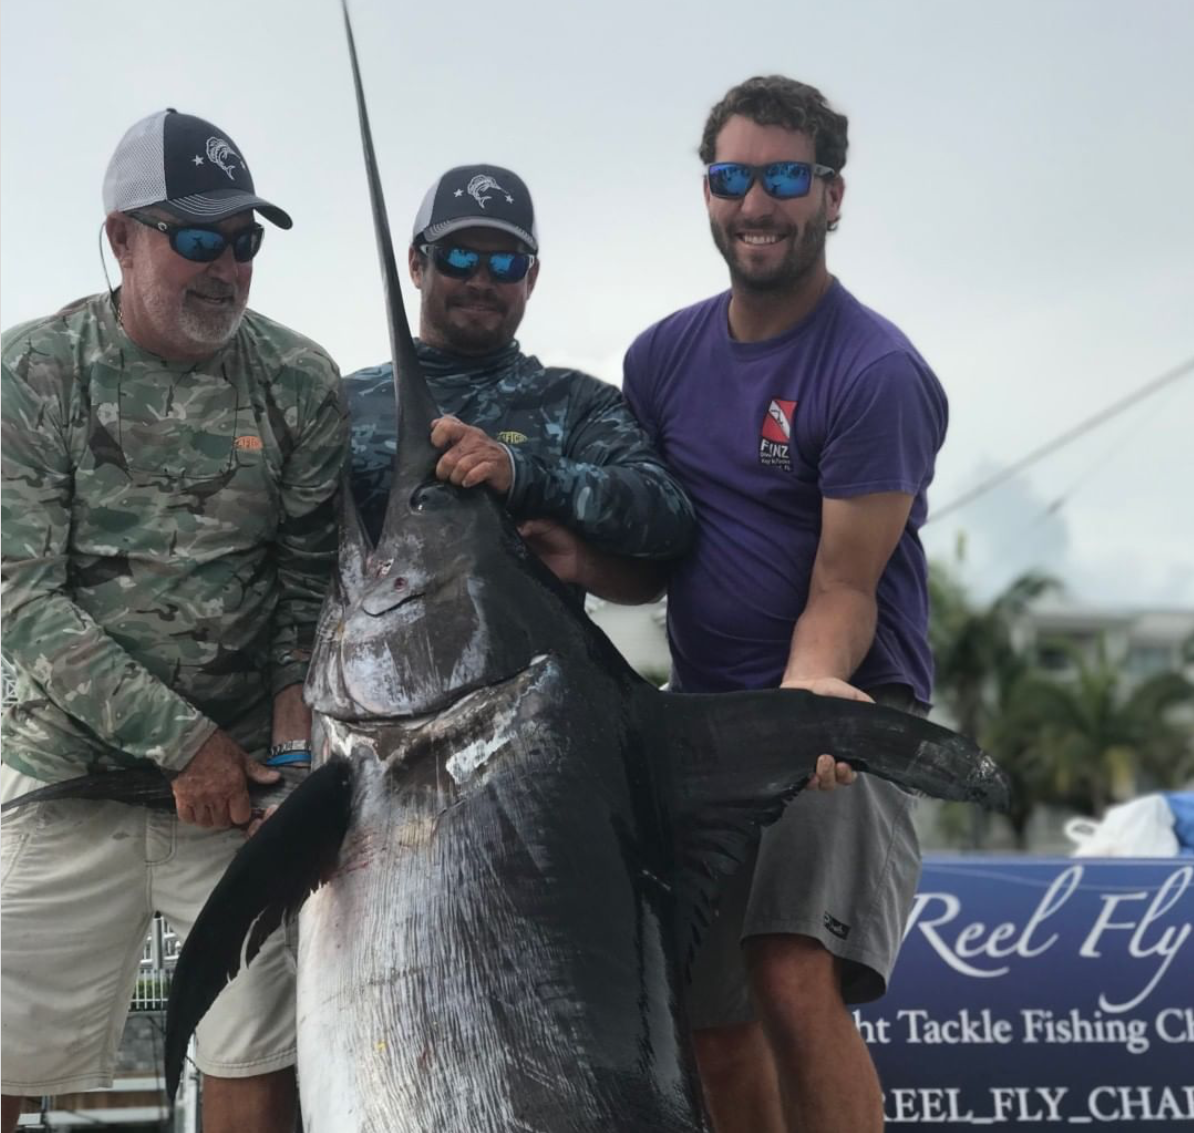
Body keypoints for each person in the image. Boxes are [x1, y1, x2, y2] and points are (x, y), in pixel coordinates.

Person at [0, 109, 347, 1133]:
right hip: (70, 784)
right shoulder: (32, 374)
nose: (226, 266)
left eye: (245, 241)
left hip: (237, 804)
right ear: (120, 237)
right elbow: (19, 598)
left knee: (255, 1055)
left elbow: (305, 594)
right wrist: (183, 741)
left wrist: (290, 750)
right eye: (198, 238)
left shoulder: (300, 383)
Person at [620, 76, 949, 1133]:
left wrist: (813, 692)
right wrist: (551, 539)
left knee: (792, 976)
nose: (754, 203)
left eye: (783, 177)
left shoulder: (877, 370)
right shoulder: (659, 357)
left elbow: (844, 588)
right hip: (706, 729)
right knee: (711, 1023)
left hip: (839, 722)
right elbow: (645, 559)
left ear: (833, 195)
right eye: (730, 176)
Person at [345, 163, 695, 598]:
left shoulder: (578, 402)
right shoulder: (343, 402)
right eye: (459, 258)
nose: (481, 281)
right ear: (417, 265)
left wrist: (520, 474)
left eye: (507, 265)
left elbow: (669, 516)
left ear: (530, 279)